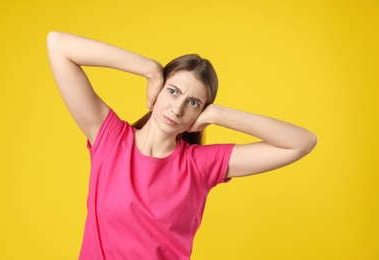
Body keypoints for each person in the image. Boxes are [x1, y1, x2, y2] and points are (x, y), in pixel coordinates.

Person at [47, 31, 317, 260]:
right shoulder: (111, 140)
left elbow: (301, 142)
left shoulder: (199, 165)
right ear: (159, 90)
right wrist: (149, 69)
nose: (177, 109)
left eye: (193, 103)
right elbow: (58, 44)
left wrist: (219, 114)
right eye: (173, 91)